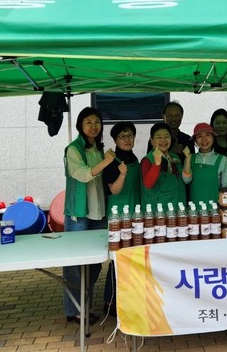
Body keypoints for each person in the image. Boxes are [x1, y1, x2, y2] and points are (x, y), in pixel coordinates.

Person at [63, 107, 111, 324]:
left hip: (98, 213)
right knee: (75, 265)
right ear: (80, 126)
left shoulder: (99, 149)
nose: (94, 126)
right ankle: (74, 311)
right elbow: (82, 174)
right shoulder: (73, 149)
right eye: (88, 122)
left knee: (94, 263)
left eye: (97, 122)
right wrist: (106, 162)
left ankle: (85, 307)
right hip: (79, 215)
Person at [102, 121, 139, 318]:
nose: (127, 139)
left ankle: (128, 300)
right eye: (122, 136)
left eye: (130, 135)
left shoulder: (134, 158)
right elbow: (114, 190)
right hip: (118, 216)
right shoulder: (111, 161)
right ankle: (110, 302)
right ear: (115, 140)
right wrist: (122, 175)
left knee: (132, 259)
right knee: (118, 259)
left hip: (135, 214)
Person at [141, 122, 191, 207]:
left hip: (179, 207)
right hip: (159, 211)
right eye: (159, 137)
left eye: (167, 136)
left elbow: (184, 180)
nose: (163, 140)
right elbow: (148, 184)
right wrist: (157, 164)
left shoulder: (175, 157)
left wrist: (188, 160)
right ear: (151, 141)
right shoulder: (147, 160)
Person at [184, 122, 227, 204]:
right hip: (194, 208)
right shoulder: (190, 158)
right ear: (195, 141)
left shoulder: (222, 159)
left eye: (207, 135)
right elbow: (186, 180)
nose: (204, 139)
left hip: (215, 207)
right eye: (199, 136)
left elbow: (226, 185)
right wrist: (188, 159)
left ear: (213, 137)